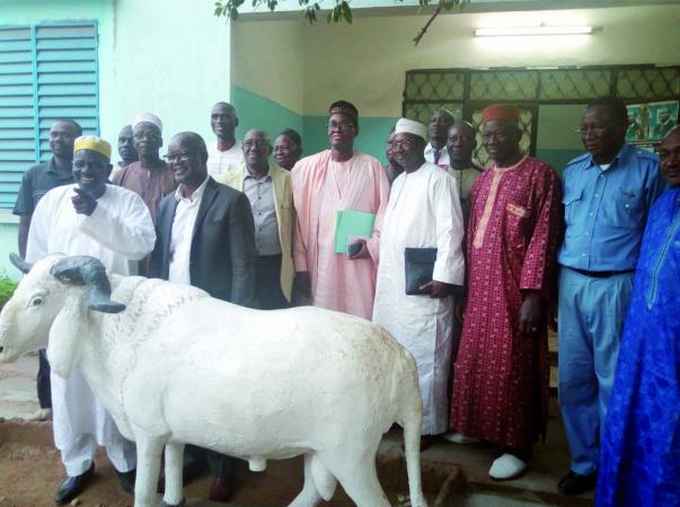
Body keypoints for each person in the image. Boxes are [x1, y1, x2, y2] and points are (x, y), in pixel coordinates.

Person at [25, 135, 156, 504]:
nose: (85, 171)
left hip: (110, 309)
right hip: (65, 312)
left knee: (114, 385)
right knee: (68, 388)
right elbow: (39, 256)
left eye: (93, 165)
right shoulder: (53, 201)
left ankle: (124, 461)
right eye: (79, 164)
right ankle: (77, 465)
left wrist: (96, 213)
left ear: (107, 169)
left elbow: (142, 244)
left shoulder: (127, 201)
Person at [557, 96, 664, 496]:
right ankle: (583, 464)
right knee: (572, 381)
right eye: (584, 127)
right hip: (571, 282)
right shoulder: (574, 172)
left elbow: (656, 233)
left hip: (617, 284)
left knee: (612, 380)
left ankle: (613, 466)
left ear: (624, 127)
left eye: (598, 127)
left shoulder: (648, 171)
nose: (588, 134)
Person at [449, 104, 563, 480]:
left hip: (516, 289)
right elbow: (470, 236)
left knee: (514, 364)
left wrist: (533, 294)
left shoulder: (540, 176)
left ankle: (517, 445)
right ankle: (483, 429)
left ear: (518, 134)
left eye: (500, 133)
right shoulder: (482, 180)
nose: (492, 141)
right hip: (480, 288)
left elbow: (544, 238)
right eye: (487, 135)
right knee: (478, 360)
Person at [149, 132, 257, 501]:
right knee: (181, 392)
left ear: (202, 156)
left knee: (218, 393)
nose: (177, 162)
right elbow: (161, 262)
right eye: (172, 156)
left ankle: (225, 467)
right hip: (175, 318)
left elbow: (244, 266)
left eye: (185, 155)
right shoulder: (166, 205)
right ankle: (192, 457)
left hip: (216, 317)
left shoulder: (231, 201)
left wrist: (237, 320)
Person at [595, 126, 680, 507]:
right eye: (664, 154)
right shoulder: (664, 205)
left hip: (673, 349)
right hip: (643, 342)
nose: (670, 162)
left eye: (678, 153)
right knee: (631, 420)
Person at [372, 118, 465, 443]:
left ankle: (426, 426)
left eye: (404, 143)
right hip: (394, 287)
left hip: (425, 286)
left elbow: (451, 230)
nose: (397, 148)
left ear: (419, 145)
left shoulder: (439, 180)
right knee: (394, 354)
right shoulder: (398, 182)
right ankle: (396, 416)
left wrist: (444, 277)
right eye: (393, 143)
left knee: (425, 357)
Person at [291, 100, 390, 319]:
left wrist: (372, 245)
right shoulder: (306, 168)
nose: (337, 129)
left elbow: (385, 215)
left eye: (344, 124)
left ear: (355, 130)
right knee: (326, 323)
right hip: (321, 264)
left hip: (358, 263)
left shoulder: (372, 167)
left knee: (359, 319)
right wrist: (301, 267)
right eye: (332, 124)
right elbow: (297, 222)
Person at [12, 118, 82, 422]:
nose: (57, 140)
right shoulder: (35, 175)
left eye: (65, 135)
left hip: (76, 271)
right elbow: (26, 222)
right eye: (54, 134)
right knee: (44, 336)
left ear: (77, 141)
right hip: (44, 272)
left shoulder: (85, 172)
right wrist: (30, 268)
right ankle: (48, 402)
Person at [224, 129, 295, 308]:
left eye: (260, 143)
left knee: (276, 314)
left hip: (276, 265)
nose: (253, 148)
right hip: (241, 265)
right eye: (248, 144)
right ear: (242, 149)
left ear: (269, 150)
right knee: (244, 314)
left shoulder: (288, 180)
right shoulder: (227, 181)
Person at [112, 113, 176, 225]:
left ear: (161, 142)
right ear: (134, 142)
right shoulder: (121, 176)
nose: (145, 139)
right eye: (139, 135)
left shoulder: (174, 173)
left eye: (151, 135)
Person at [445, 120, 483, 222]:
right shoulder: (438, 176)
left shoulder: (485, 178)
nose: (458, 144)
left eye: (465, 139)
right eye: (453, 139)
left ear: (474, 144)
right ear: (446, 143)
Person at [207, 102, 244, 184]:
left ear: (236, 122)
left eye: (225, 117)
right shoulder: (205, 151)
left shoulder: (246, 152)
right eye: (215, 117)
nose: (219, 121)